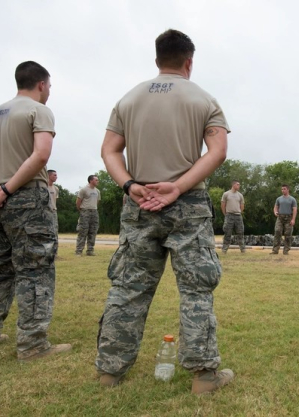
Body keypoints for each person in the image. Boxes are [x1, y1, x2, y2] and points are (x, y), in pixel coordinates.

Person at [95, 29, 234, 394]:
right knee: (196, 291)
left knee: (128, 289)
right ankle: (204, 376)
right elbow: (217, 151)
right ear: (189, 61)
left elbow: (109, 150)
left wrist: (129, 185)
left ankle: (111, 371)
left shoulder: (128, 99)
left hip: (139, 201)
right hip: (187, 205)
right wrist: (179, 187)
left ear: (157, 60)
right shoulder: (204, 98)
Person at [0, 61, 71, 359]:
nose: (49, 91)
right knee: (35, 270)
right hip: (25, 197)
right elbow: (41, 155)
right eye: (49, 86)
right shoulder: (38, 110)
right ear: (41, 84)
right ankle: (33, 344)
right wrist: (7, 189)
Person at [75, 174, 100, 256]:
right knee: (83, 231)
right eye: (96, 180)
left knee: (93, 231)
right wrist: (82, 211)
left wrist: (94, 208)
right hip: (85, 211)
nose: (97, 181)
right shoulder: (83, 190)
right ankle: (79, 251)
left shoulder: (97, 191)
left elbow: (97, 201)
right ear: (91, 181)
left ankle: (90, 250)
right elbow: (78, 202)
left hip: (94, 211)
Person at [270, 185, 297, 255]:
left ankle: (286, 250)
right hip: (280, 217)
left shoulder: (292, 199)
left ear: (288, 190)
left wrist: (293, 219)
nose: (283, 190)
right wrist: (275, 212)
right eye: (282, 189)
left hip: (289, 218)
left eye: (284, 189)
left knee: (288, 234)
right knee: (277, 231)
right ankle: (275, 250)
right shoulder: (279, 199)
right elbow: (275, 207)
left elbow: (294, 210)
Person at [221, 180, 245, 254]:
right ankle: (224, 249)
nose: (239, 186)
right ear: (233, 185)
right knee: (227, 233)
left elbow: (242, 205)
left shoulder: (240, 195)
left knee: (240, 232)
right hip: (229, 215)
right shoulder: (226, 194)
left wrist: (239, 212)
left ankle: (242, 249)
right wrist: (225, 213)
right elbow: (223, 205)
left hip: (238, 216)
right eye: (238, 184)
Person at [47, 169, 59, 233]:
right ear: (49, 176)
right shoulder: (44, 187)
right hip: (45, 211)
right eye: (54, 175)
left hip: (53, 211)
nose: (56, 177)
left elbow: (55, 200)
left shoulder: (56, 188)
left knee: (55, 229)